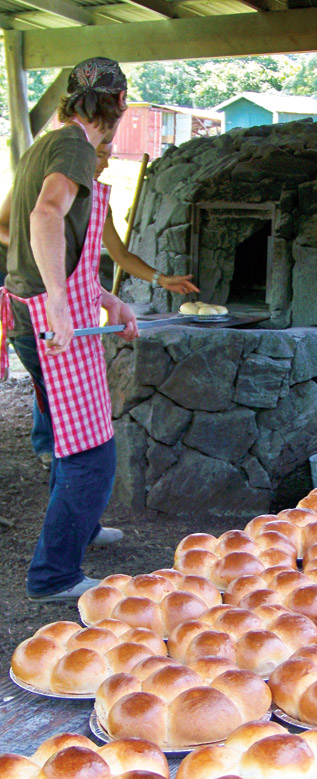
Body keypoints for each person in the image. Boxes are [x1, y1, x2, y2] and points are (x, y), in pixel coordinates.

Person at [0, 57, 141, 602]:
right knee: (91, 452)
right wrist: (59, 302)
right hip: (47, 318)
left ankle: (78, 528)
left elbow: (8, 221)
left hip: (27, 307)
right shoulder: (78, 147)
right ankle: (55, 574)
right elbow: (42, 218)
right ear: (119, 105)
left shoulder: (44, 143)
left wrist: (102, 297)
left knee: (68, 436)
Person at [28, 140, 200, 468]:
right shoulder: (48, 194)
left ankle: (67, 454)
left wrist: (161, 279)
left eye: (109, 156)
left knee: (71, 386)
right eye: (101, 155)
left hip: (81, 299)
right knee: (48, 379)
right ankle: (47, 444)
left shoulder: (97, 201)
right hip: (45, 300)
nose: (105, 164)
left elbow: (119, 255)